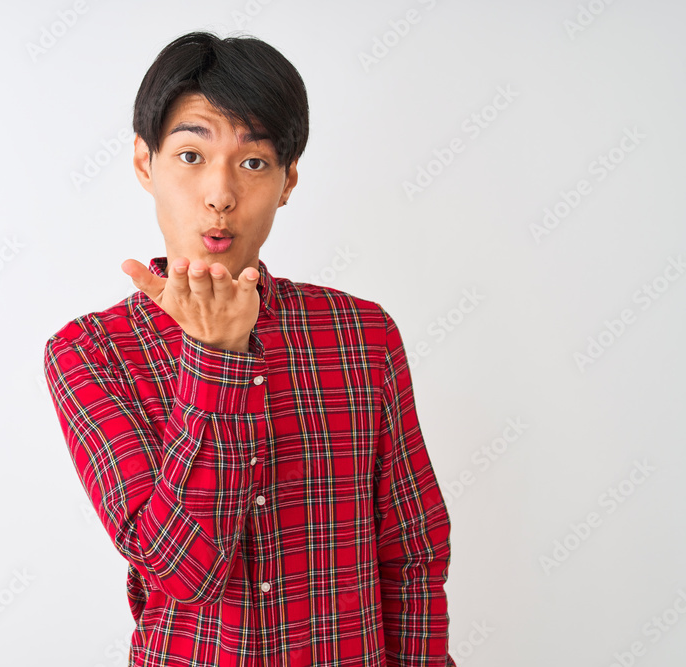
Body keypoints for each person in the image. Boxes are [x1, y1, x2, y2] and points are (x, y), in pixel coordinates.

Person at [44, 30, 455, 667]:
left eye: (254, 162)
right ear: (143, 163)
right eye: (189, 155)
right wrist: (219, 357)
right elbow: (184, 573)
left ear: (289, 179)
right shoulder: (91, 353)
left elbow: (414, 551)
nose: (220, 194)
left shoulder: (362, 335)